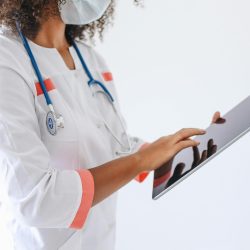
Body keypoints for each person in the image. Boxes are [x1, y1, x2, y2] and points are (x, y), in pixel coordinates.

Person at [0, 1, 221, 249]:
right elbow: (36, 201)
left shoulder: (90, 60)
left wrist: (178, 150)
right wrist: (141, 160)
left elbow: (118, 147)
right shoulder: (7, 61)